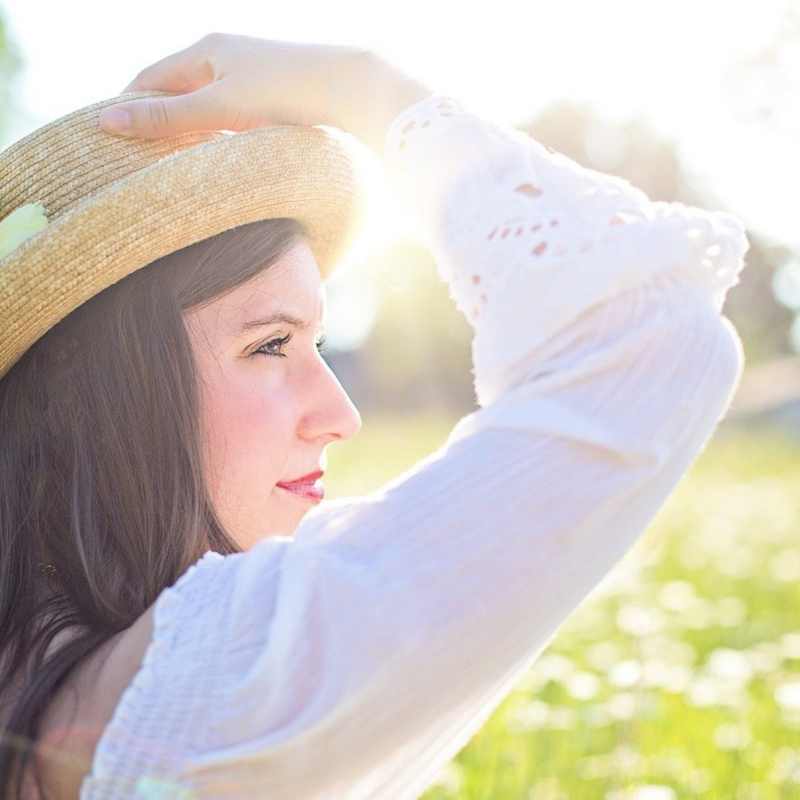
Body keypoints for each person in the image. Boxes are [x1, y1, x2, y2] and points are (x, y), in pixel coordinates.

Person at [0, 33, 747, 799]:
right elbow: (659, 341)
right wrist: (361, 88)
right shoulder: (217, 691)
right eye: (269, 345)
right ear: (85, 388)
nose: (341, 415)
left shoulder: (41, 670)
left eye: (317, 343)